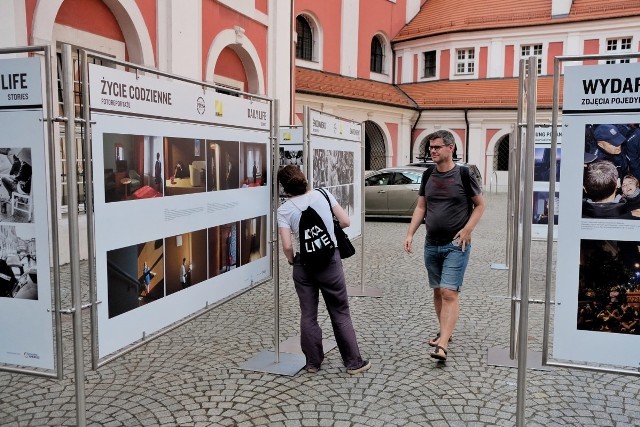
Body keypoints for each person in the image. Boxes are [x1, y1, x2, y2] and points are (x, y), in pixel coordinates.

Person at [277, 165, 371, 375]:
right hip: (329, 260)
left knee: (308, 314)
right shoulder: (323, 194)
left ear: (284, 187)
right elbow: (345, 221)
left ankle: (312, 363)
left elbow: (287, 245)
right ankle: (353, 362)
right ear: (303, 178)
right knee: (340, 311)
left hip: (303, 264)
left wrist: (293, 261)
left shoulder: (284, 210)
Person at [403, 130, 485, 362]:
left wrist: (468, 229)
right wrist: (410, 233)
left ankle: (443, 344)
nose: (433, 151)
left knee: (449, 292)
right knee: (438, 291)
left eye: (437, 147)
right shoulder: (428, 174)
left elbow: (479, 205)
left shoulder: (464, 174)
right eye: (430, 148)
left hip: (455, 244)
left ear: (451, 148)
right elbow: (421, 207)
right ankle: (444, 331)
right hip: (432, 244)